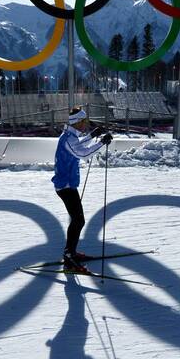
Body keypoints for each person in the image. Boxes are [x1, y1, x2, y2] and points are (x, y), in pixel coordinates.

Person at [52, 107, 113, 274]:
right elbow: (83, 154)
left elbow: (79, 144)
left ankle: (70, 253)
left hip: (67, 184)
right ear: (76, 122)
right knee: (78, 220)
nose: (86, 124)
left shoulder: (70, 136)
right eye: (83, 121)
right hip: (65, 186)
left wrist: (92, 136)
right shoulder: (68, 139)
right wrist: (101, 142)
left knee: (77, 219)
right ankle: (69, 257)